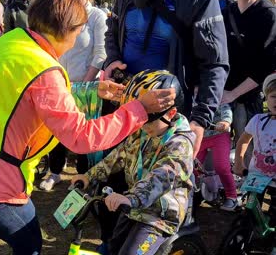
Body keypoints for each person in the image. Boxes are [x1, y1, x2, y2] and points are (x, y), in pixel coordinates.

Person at [0, 0, 176, 253]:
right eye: (78, 33)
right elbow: (81, 137)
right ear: (67, 31)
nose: (74, 42)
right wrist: (138, 109)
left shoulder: (14, 41)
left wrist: (94, 91)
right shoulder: (44, 70)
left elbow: (34, 96)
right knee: (29, 244)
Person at [72, 70, 194, 255]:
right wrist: (89, 176)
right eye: (141, 120)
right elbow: (118, 157)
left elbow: (162, 176)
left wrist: (132, 198)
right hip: (134, 207)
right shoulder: (142, 132)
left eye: (149, 122)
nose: (143, 126)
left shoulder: (180, 144)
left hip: (159, 216)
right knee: (113, 248)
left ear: (171, 113)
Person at [103, 0, 229, 158]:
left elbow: (214, 62)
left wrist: (200, 120)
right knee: (113, 176)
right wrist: (112, 59)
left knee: (159, 180)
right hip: (123, 105)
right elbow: (112, 29)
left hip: (166, 114)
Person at [40, 0, 108, 191]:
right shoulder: (61, 14)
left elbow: (100, 53)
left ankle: (82, 175)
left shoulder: (97, 16)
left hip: (87, 88)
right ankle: (55, 172)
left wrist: (83, 86)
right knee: (58, 129)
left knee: (83, 132)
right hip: (61, 83)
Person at [222, 0, 276, 166]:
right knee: (216, 149)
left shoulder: (268, 14)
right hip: (222, 92)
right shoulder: (226, 13)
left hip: (249, 95)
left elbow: (267, 65)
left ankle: (249, 188)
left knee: (251, 152)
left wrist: (234, 94)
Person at [233, 72, 276, 225]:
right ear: (266, 97)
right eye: (273, 96)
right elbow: (243, 140)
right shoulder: (258, 120)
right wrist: (239, 162)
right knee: (250, 208)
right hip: (257, 175)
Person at [196, 102, 238, 211]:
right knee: (193, 166)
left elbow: (226, 110)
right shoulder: (192, 98)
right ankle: (197, 191)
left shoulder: (216, 98)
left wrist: (225, 121)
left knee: (222, 167)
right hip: (200, 136)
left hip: (220, 134)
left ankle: (231, 196)